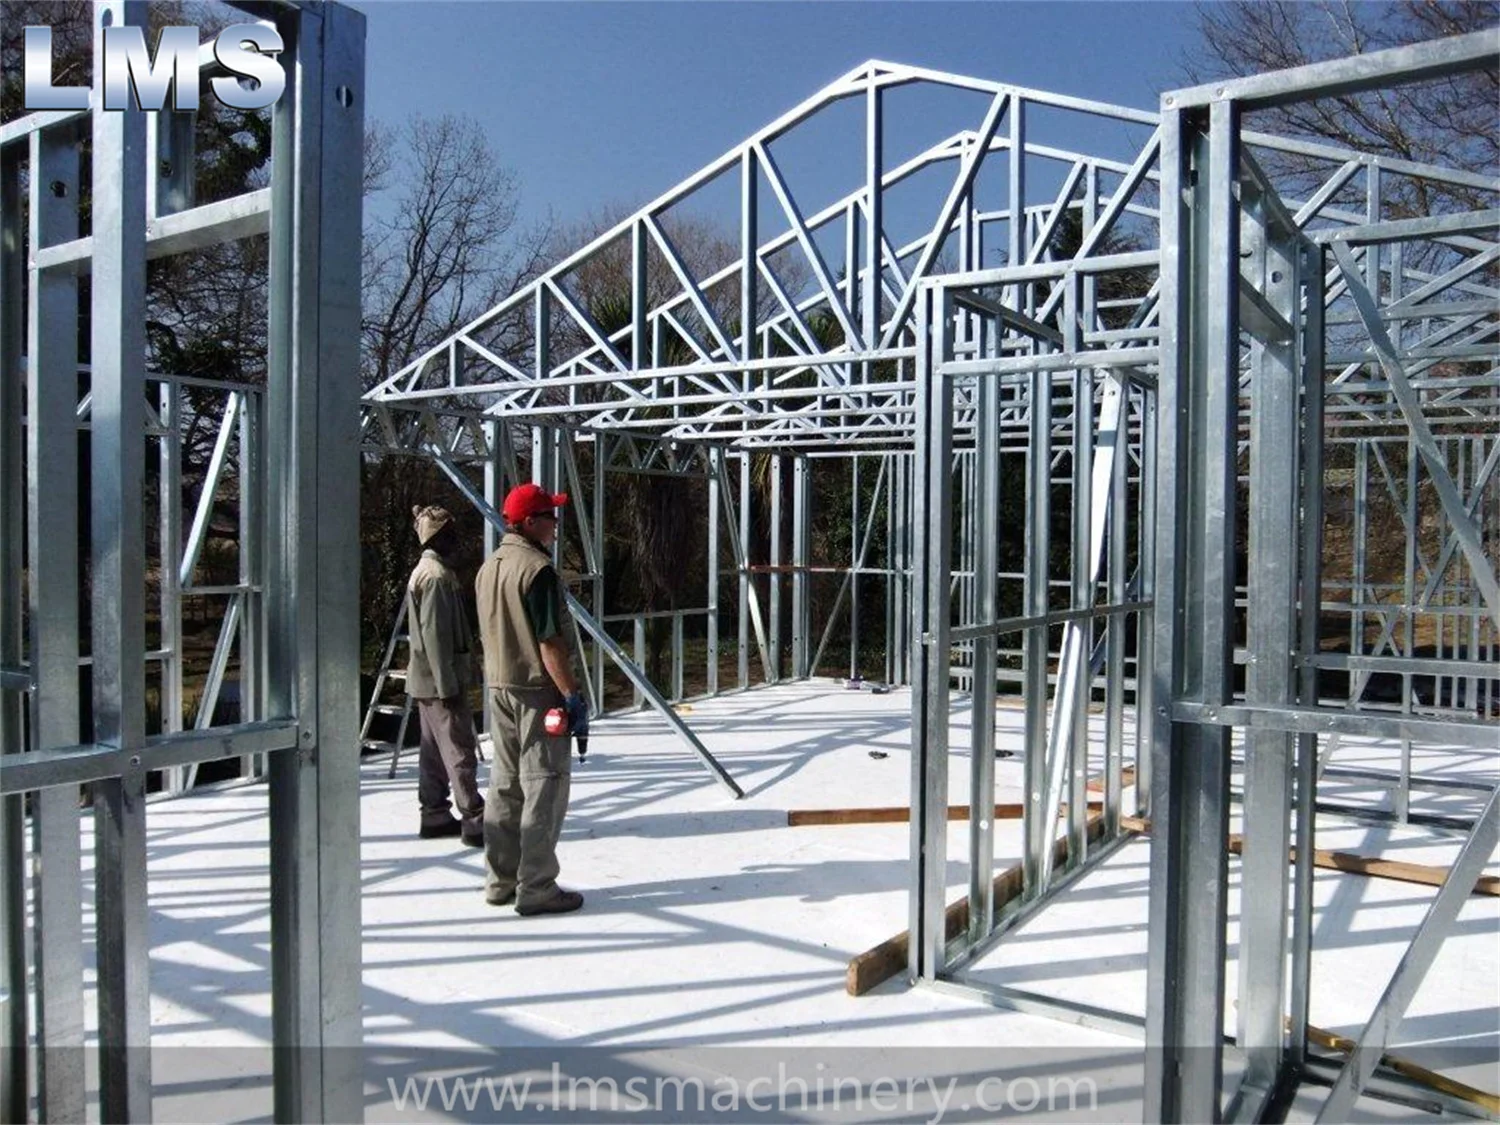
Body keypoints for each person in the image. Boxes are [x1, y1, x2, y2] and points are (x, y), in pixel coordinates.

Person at [474, 483, 589, 916]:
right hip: (537, 691)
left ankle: (499, 881)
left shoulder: (490, 567)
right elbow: (549, 641)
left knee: (505, 784)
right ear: (529, 522)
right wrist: (571, 694)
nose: (555, 524)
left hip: (499, 687)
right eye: (548, 516)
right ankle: (537, 886)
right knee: (544, 784)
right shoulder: (537, 570)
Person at [405, 505, 485, 847]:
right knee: (458, 748)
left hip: (426, 680)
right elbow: (436, 635)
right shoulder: (436, 577)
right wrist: (447, 685)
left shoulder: (429, 571)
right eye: (450, 533)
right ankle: (475, 818)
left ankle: (434, 813)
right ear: (437, 537)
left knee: (433, 751)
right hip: (440, 682)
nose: (457, 539)